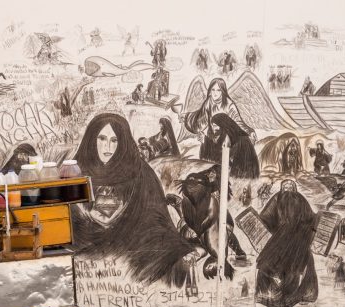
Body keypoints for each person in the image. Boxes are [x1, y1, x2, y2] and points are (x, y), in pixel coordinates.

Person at [72, 113, 194, 287]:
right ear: (92, 139)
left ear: (123, 142)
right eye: (102, 138)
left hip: (132, 239)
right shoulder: (75, 171)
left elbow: (156, 218)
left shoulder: (140, 172)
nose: (108, 146)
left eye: (115, 140)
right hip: (87, 241)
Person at [255, 179, 318, 307]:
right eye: (285, 186)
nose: (288, 188)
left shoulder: (300, 199)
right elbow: (265, 217)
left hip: (298, 238)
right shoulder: (277, 199)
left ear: (294, 188)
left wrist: (312, 223)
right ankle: (267, 294)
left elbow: (310, 217)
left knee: (302, 263)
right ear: (282, 188)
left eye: (290, 185)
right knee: (267, 261)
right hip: (279, 238)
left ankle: (304, 294)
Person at [182, 77, 253, 143]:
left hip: (226, 138)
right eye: (213, 90)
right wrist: (187, 117)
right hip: (212, 136)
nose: (215, 93)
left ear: (222, 91)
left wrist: (250, 132)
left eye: (218, 90)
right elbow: (202, 119)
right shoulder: (209, 101)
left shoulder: (229, 105)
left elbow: (238, 122)